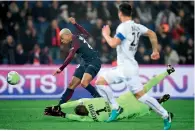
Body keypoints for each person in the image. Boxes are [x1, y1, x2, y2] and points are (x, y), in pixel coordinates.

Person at [95, 3, 173, 129]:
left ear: (120, 13)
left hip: (128, 69)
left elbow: (114, 44)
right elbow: (152, 33)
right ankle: (116, 108)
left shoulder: (123, 27)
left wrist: (105, 34)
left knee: (140, 96)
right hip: (123, 67)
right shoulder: (137, 26)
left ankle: (165, 115)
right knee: (100, 81)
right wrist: (155, 51)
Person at [44, 66, 175, 122]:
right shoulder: (88, 102)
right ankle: (167, 73)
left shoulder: (93, 118)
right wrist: (60, 107)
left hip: (127, 111)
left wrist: (62, 114)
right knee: (147, 86)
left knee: (147, 108)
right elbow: (75, 103)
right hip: (125, 99)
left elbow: (78, 118)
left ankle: (159, 102)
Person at [53, 17, 101, 106]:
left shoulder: (75, 41)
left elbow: (70, 56)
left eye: (62, 38)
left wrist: (61, 68)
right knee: (71, 84)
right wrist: (75, 24)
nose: (62, 41)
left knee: (84, 83)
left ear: (68, 35)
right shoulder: (77, 37)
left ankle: (100, 99)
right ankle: (59, 106)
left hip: (94, 61)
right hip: (84, 62)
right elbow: (86, 34)